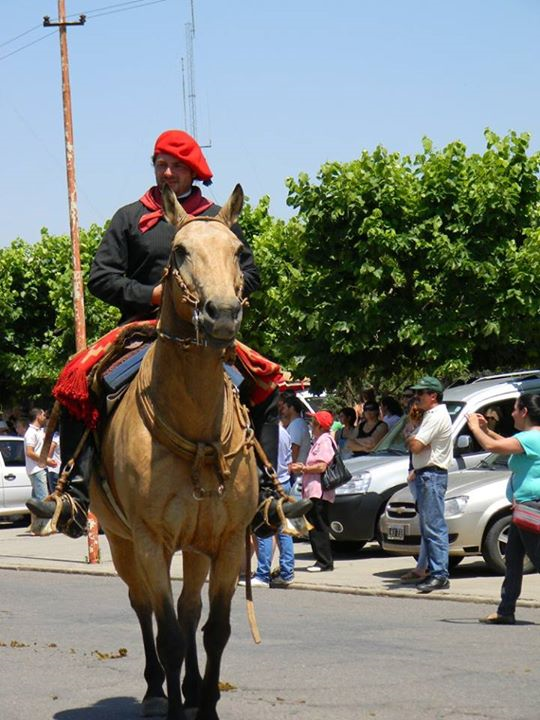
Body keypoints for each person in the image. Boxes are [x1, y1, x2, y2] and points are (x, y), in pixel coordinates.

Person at [27, 129, 309, 536]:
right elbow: (102, 277)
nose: (168, 172)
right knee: (79, 380)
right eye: (161, 164)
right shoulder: (130, 217)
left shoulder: (217, 220)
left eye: (177, 166)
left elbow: (250, 273)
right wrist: (153, 294)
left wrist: (222, 291)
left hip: (208, 331)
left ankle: (268, 496)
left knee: (265, 385)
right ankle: (71, 495)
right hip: (141, 330)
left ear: (193, 171)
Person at [467, 394, 540, 624]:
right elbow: (505, 445)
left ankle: (506, 610)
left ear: (525, 412)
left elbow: (493, 447)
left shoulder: (531, 437)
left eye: (515, 409)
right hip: (523, 507)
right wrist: (486, 430)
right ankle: (506, 610)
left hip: (531, 507)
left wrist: (474, 427)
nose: (512, 413)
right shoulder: (530, 438)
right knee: (513, 560)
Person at [406, 376, 453, 593]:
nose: (417, 397)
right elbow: (414, 443)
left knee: (434, 527)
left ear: (433, 395)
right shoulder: (430, 415)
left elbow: (415, 446)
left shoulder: (435, 416)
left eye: (421, 393)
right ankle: (435, 572)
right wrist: (414, 439)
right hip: (426, 474)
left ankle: (439, 574)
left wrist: (413, 438)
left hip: (432, 474)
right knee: (429, 526)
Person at [242, 425, 296, 588]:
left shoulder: (262, 434)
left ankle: (263, 574)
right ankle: (287, 572)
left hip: (269, 485)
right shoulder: (285, 433)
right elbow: (288, 461)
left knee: (264, 528)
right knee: (284, 530)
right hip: (284, 481)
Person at [291, 410, 336, 572]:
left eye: (313, 422)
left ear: (320, 426)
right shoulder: (318, 440)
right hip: (313, 490)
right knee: (314, 525)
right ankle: (321, 560)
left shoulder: (325, 441)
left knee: (319, 526)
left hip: (320, 491)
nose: (311, 425)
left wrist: (304, 468)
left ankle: (324, 562)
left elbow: (322, 466)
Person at [400, 397, 428, 583]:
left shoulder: (424, 429)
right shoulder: (414, 428)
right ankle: (423, 565)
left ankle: (424, 567)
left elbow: (422, 450)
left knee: (428, 525)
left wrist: (416, 471)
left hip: (421, 475)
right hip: (414, 474)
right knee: (425, 524)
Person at [24, 408, 58, 535]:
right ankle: (45, 527)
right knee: (43, 499)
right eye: (43, 415)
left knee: (36, 501)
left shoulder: (39, 431)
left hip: (38, 468)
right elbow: (29, 452)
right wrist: (46, 460)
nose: (45, 417)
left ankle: (34, 526)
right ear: (38, 416)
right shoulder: (30, 433)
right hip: (36, 469)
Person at [280, 396, 311, 465]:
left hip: (295, 469)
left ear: (291, 408)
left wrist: (290, 468)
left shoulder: (297, 424)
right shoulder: (296, 423)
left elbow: (294, 449)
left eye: (284, 408)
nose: (282, 411)